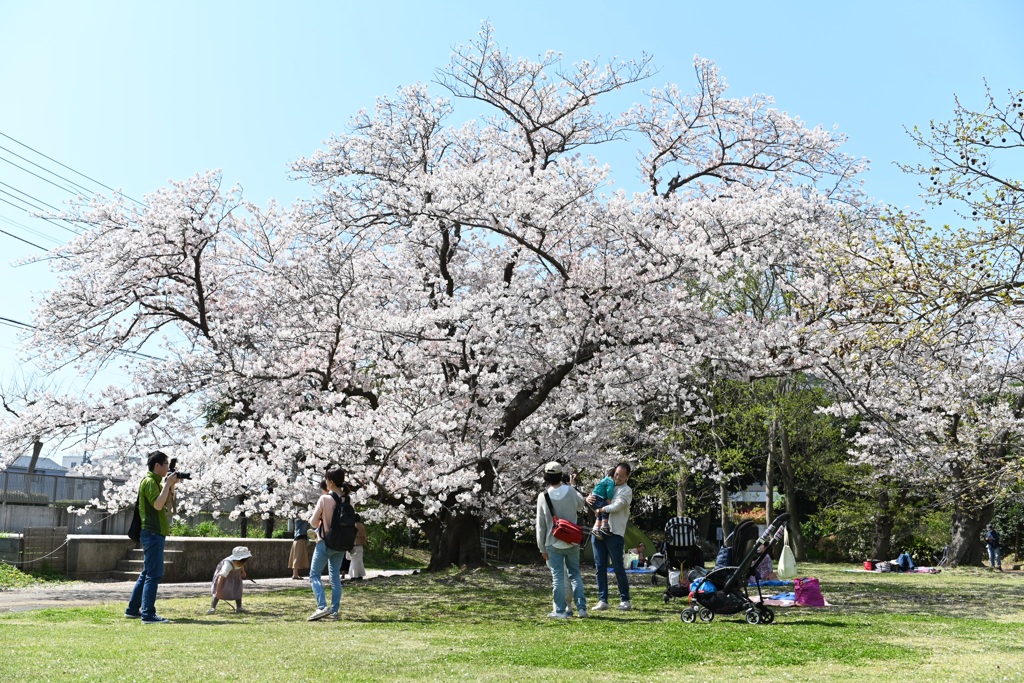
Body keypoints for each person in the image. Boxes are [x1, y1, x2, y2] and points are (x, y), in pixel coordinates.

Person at [125, 450, 180, 624]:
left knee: (147, 572)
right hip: (152, 532)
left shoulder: (155, 482)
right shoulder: (150, 482)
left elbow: (167, 504)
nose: (168, 469)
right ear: (157, 465)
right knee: (154, 574)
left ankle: (133, 610)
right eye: (166, 465)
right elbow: (157, 505)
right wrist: (167, 484)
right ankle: (148, 615)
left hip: (154, 532)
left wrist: (170, 485)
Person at [536, 460, 588, 619]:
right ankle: (582, 609)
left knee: (558, 577)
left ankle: (560, 611)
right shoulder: (571, 491)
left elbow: (541, 525)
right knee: (575, 575)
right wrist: (573, 486)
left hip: (553, 541)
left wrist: (541, 548)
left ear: (545, 477)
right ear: (561, 475)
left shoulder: (543, 496)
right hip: (572, 541)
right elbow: (581, 505)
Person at [587, 462, 633, 611]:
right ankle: (603, 600)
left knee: (618, 566)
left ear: (627, 477)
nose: (617, 477)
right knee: (600, 567)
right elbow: (595, 497)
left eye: (621, 475)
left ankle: (625, 600)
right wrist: (589, 500)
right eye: (616, 474)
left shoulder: (626, 491)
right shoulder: (608, 484)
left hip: (614, 533)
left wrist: (600, 509)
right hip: (598, 531)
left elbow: (616, 506)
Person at [307, 469, 349, 621]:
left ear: (330, 481)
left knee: (314, 575)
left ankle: (321, 607)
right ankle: (335, 610)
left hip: (325, 543)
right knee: (335, 577)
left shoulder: (324, 499)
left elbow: (312, 522)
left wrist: (321, 521)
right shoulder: (348, 500)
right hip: (340, 544)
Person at [208, 546, 251, 613]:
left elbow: (242, 565)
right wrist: (218, 591)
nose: (242, 563)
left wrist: (243, 571)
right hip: (224, 578)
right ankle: (212, 607)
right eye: (240, 562)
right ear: (236, 559)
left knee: (238, 589)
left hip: (235, 577)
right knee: (220, 590)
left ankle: (239, 607)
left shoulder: (241, 561)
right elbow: (221, 577)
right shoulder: (227, 565)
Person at [588, 468, 616, 538]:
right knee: (605, 508)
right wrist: (609, 498)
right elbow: (609, 490)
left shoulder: (605, 479)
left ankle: (596, 528)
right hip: (598, 498)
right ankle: (604, 525)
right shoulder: (610, 481)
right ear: (614, 475)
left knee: (600, 513)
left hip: (594, 498)